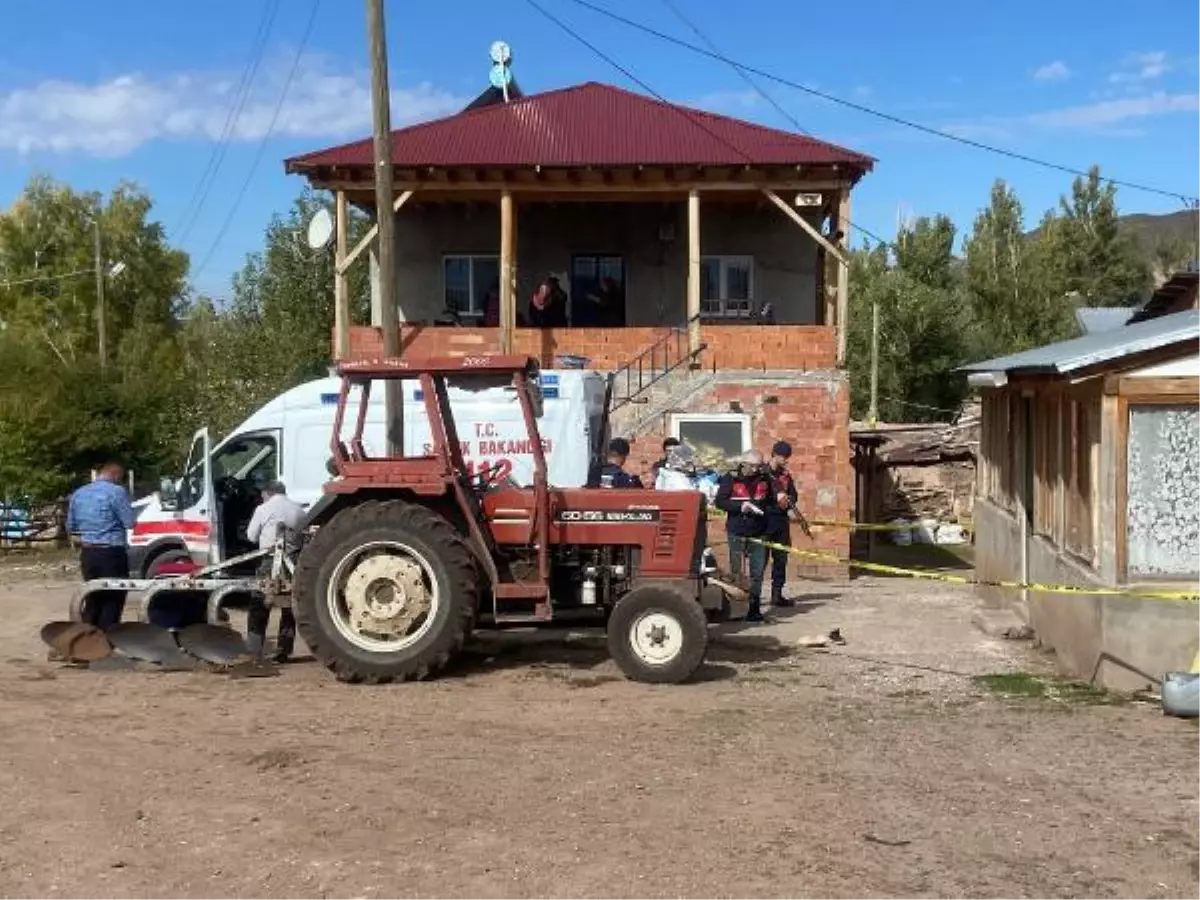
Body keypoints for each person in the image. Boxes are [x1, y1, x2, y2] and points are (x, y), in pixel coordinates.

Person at [66, 461, 136, 630]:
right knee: (113, 597)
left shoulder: (79, 493)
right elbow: (130, 522)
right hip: (111, 551)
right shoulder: (116, 492)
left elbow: (70, 526)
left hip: (88, 552)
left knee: (93, 596)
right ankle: (107, 637)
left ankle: (86, 636)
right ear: (116, 475)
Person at [245, 481, 306, 662]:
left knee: (259, 604)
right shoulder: (298, 510)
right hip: (293, 561)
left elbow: (251, 536)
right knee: (288, 605)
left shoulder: (262, 509)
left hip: (269, 560)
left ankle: (255, 649)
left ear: (267, 493)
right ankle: (283, 650)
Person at [714, 450, 775, 623]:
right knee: (737, 572)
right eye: (753, 466)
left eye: (759, 466)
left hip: (759, 532)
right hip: (737, 531)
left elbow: (770, 501)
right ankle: (736, 610)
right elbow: (720, 501)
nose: (756, 470)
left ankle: (754, 610)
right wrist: (740, 507)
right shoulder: (731, 478)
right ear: (744, 464)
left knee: (757, 573)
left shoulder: (765, 479)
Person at [764, 440, 812, 608]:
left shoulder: (785, 475)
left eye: (787, 457)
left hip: (781, 523)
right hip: (764, 522)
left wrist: (788, 499)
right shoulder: (762, 474)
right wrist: (774, 500)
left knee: (780, 559)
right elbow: (757, 496)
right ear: (775, 454)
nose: (786, 460)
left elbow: (793, 495)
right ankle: (753, 600)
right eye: (784, 456)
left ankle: (777, 595)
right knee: (760, 561)